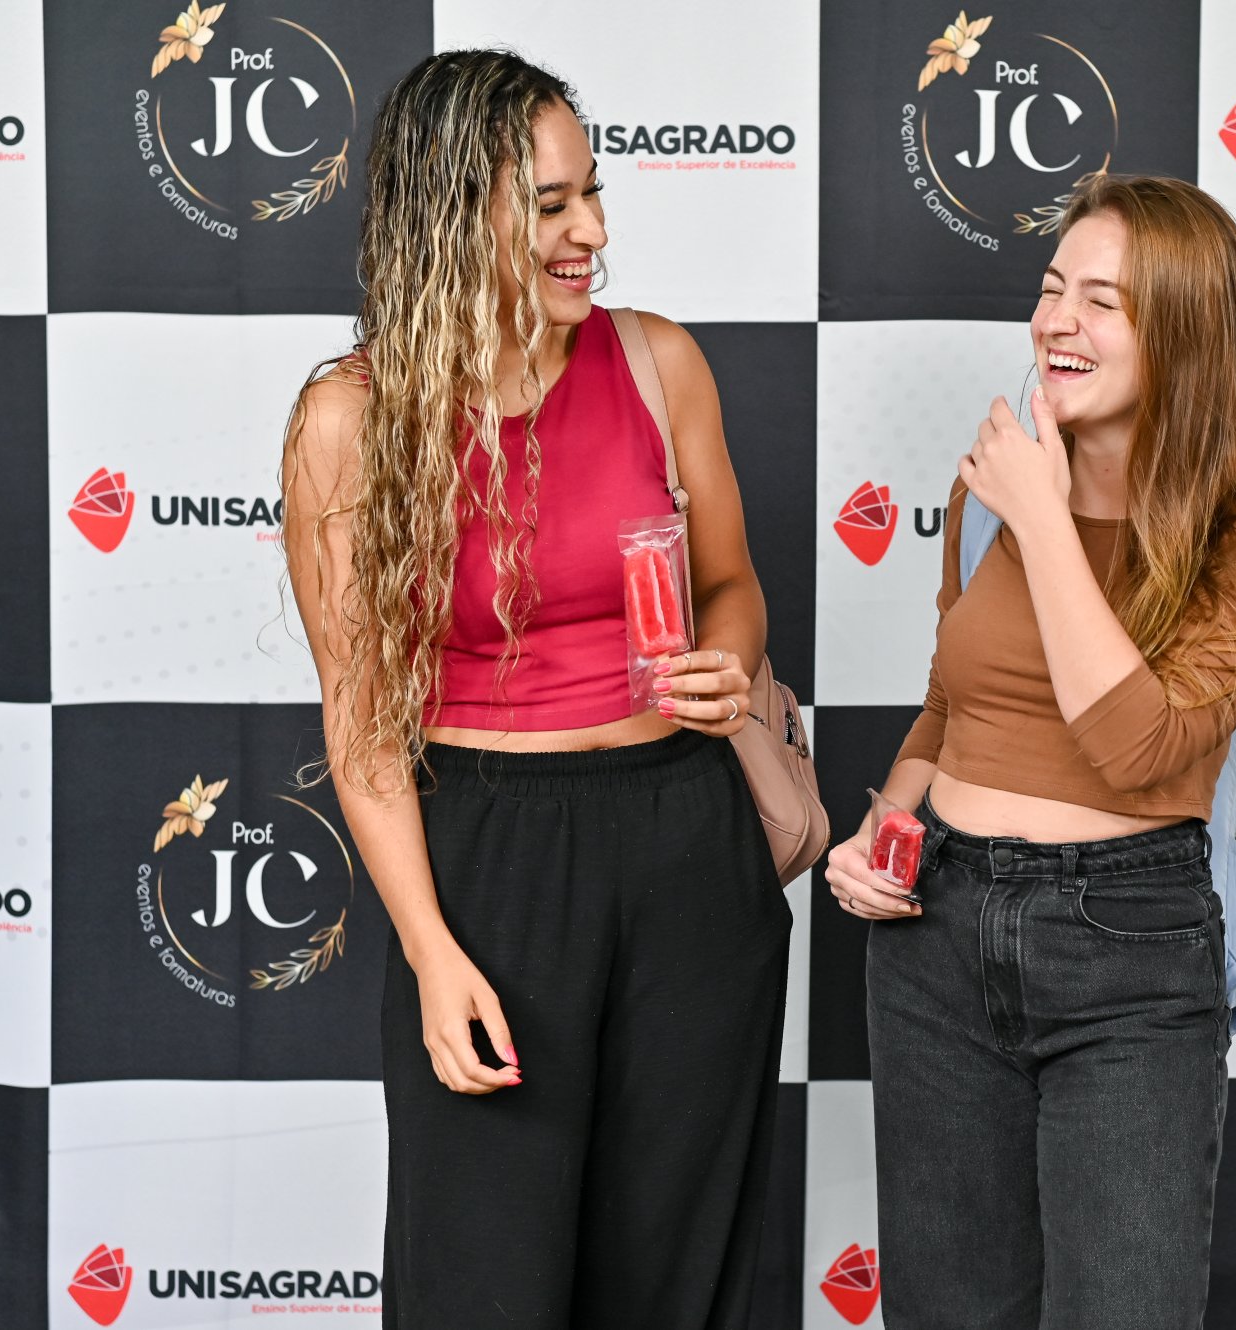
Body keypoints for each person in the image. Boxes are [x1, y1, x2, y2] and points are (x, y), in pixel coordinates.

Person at [280, 49, 788, 1329]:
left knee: (676, 1277)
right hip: (487, 859)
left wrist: (726, 659)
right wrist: (429, 947)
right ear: (452, 217)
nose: (592, 233)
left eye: (592, 194)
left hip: (686, 839)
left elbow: (732, 584)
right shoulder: (349, 419)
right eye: (551, 205)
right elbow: (360, 721)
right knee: (483, 1282)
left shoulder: (660, 361)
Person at [824, 175, 1236, 1329]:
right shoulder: (986, 501)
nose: (1056, 320)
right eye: (1052, 289)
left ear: (1183, 333)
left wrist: (1045, 515)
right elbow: (948, 708)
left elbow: (1135, 746)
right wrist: (881, 828)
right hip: (935, 937)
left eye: (1101, 302)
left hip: (1127, 955)